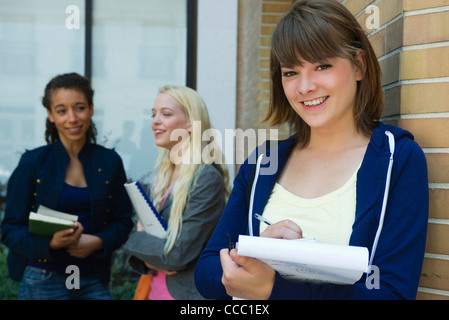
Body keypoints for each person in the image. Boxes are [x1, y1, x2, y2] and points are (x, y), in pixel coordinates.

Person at [194, 0, 428, 300]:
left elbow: (392, 293)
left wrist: (274, 290)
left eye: (322, 66)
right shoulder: (263, 162)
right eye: (290, 72)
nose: (304, 87)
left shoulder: (397, 159)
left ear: (359, 65)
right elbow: (207, 269)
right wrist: (255, 251)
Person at [1, 72, 133, 300]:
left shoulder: (110, 162)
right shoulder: (33, 163)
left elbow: (122, 222)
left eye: (79, 108)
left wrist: (98, 241)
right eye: (62, 111)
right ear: (50, 115)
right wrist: (49, 243)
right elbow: (10, 229)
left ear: (91, 109)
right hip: (43, 278)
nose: (72, 118)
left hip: (93, 278)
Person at [123, 85, 230, 300]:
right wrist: (151, 254)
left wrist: (137, 238)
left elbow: (175, 256)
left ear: (191, 124)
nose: (155, 121)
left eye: (166, 114)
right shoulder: (163, 175)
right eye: (153, 114)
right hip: (155, 292)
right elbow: (163, 251)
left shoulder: (206, 178)